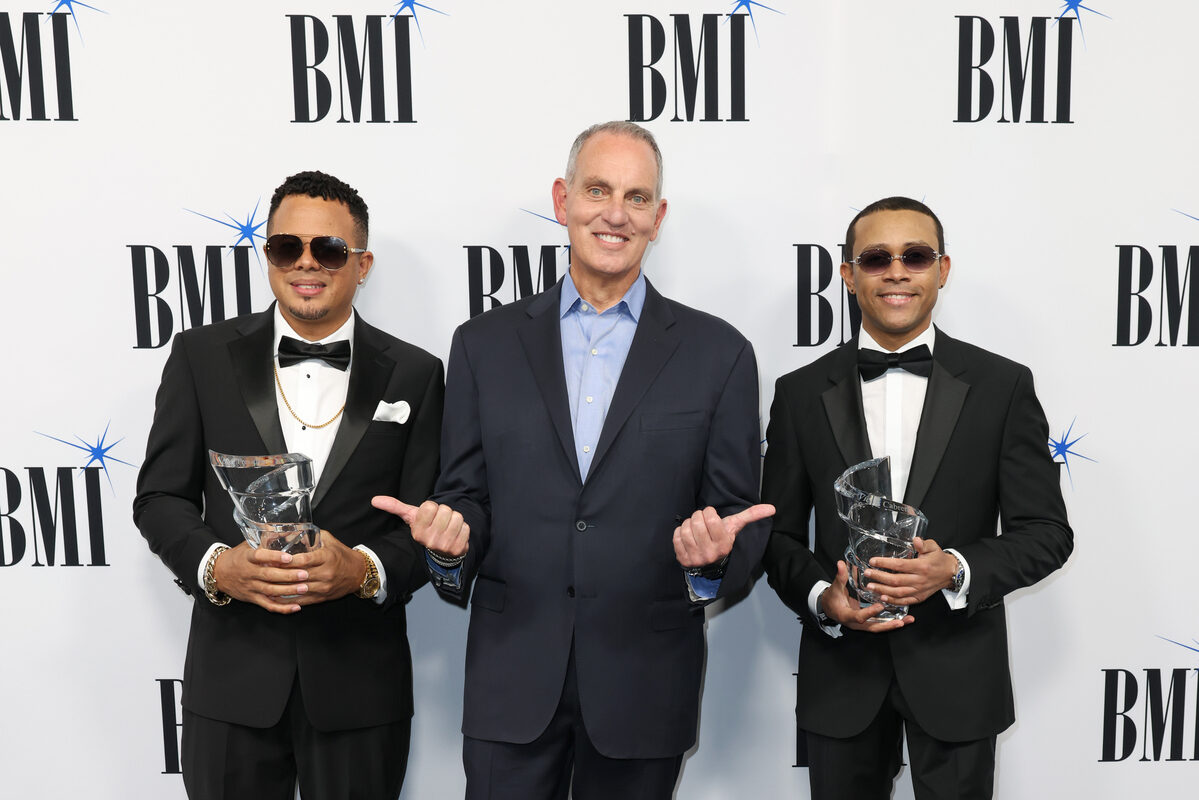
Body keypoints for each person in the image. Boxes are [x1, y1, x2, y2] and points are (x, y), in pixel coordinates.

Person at [373, 121, 773, 800]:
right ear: (562, 201)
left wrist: (708, 561)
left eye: (636, 197)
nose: (614, 213)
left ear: (657, 218)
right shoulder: (480, 346)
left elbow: (738, 518)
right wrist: (447, 546)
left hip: (644, 684)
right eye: (597, 190)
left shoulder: (720, 354)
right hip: (511, 677)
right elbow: (464, 493)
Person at [133, 170, 443, 799]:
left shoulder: (417, 373)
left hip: (361, 686)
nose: (307, 263)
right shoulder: (200, 357)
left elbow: (430, 526)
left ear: (363, 264)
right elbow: (160, 498)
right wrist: (219, 567)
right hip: (232, 681)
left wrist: (364, 570)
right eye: (286, 247)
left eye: (329, 249)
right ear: (267, 255)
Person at [761, 196, 1073, 800]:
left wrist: (954, 569)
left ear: (942, 270)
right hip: (842, 677)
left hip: (959, 673)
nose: (897, 271)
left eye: (916, 256)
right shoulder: (799, 394)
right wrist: (823, 597)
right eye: (877, 258)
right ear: (848, 276)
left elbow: (1046, 532)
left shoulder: (1003, 386)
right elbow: (775, 535)